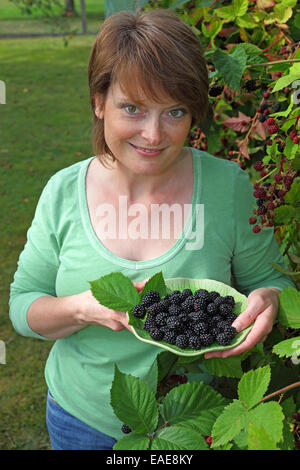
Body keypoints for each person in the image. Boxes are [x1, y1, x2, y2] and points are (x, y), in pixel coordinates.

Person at [9, 9, 294, 450]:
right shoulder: (63, 192)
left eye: (174, 111)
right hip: (79, 418)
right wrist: (83, 308)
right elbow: (24, 307)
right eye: (132, 108)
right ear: (99, 101)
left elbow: (270, 282)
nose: (154, 134)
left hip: (194, 423)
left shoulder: (227, 188)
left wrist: (269, 299)